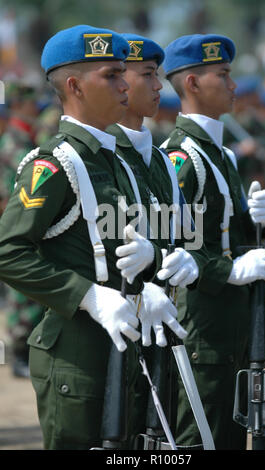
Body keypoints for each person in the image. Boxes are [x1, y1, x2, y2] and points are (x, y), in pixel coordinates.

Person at [0, 25, 188, 450]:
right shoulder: (55, 163)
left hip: (133, 346)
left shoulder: (123, 163)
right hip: (77, 358)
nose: (126, 84)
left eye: (125, 73)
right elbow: (8, 251)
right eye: (111, 75)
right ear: (74, 86)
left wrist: (160, 270)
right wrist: (88, 295)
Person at [160, 33, 265, 450]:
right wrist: (232, 269)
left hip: (232, 321)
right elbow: (177, 247)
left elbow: (224, 235)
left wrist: (257, 222)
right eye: (223, 74)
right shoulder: (182, 158)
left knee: (230, 434)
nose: (232, 84)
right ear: (192, 84)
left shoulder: (220, 155)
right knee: (201, 439)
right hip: (203, 326)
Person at [107, 33, 209, 444]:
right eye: (147, 74)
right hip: (113, 337)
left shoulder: (162, 160)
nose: (158, 86)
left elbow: (190, 236)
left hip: (160, 331)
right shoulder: (102, 156)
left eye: (157, 75)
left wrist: (186, 260)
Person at [0, 82, 44, 377]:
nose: (35, 110)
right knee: (19, 291)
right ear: (18, 105)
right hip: (12, 221)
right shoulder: (14, 138)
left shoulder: (27, 136)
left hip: (23, 220)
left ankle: (23, 350)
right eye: (31, 104)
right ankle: (17, 353)